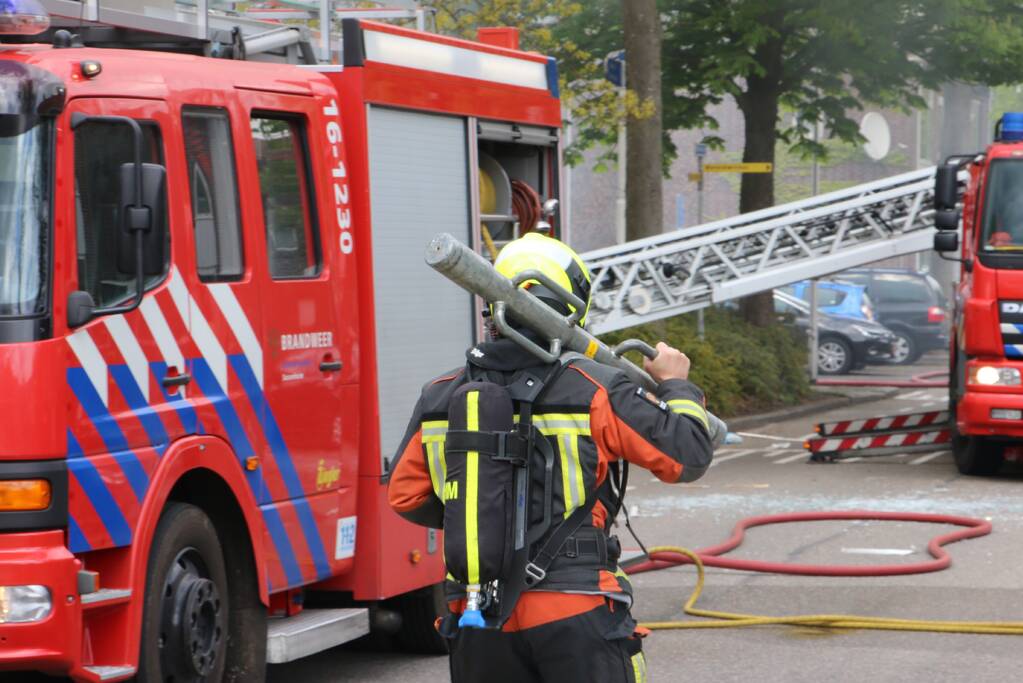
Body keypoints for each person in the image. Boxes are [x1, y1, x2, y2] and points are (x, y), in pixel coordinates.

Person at [387, 232, 714, 683]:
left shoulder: (440, 395)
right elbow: (687, 455)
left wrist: (485, 519)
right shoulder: (594, 387)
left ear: (491, 306)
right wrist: (677, 385)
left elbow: (405, 496)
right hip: (573, 605)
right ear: (571, 308)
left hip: (478, 614)